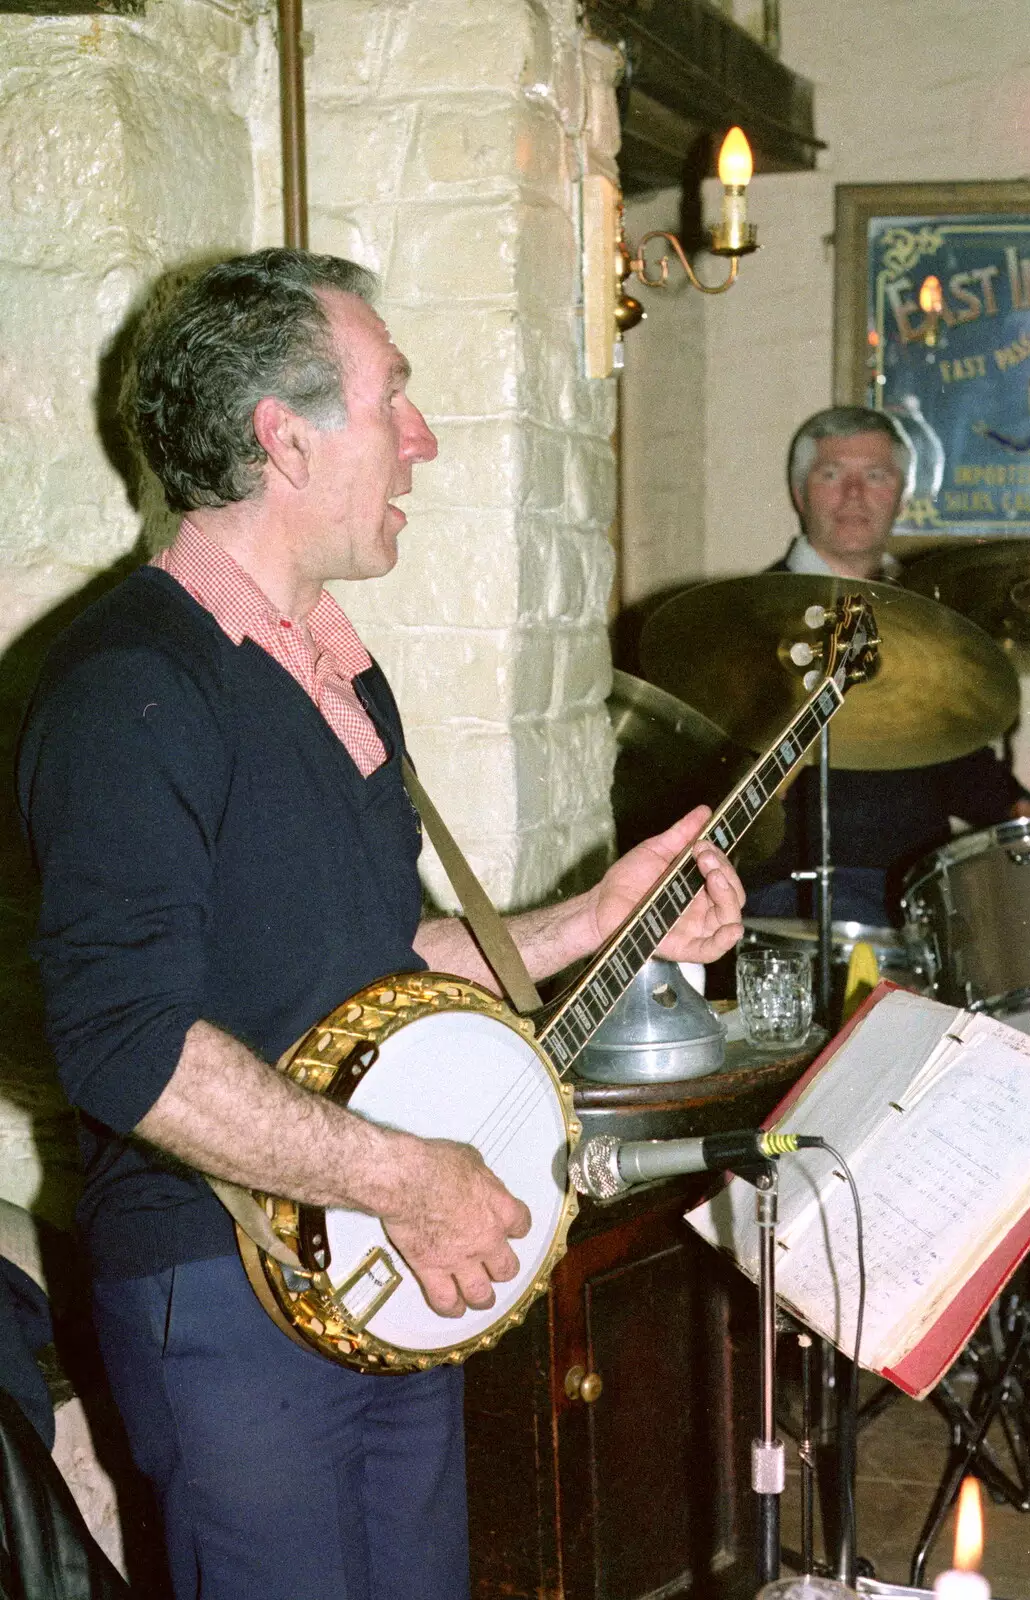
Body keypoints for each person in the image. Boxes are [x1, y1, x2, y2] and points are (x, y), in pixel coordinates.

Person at [16, 248, 745, 1600]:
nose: (422, 438)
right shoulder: (132, 685)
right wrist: (409, 1179)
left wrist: (598, 914)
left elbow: (383, 958)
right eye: (391, 397)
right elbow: (128, 1045)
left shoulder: (335, 670)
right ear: (282, 438)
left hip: (375, 1268)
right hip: (225, 1285)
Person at [744, 404, 1030, 927]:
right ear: (799, 494)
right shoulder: (747, 622)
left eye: (875, 476)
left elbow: (956, 758)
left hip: (920, 887)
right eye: (833, 474)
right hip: (798, 892)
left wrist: (1023, 817)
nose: (854, 495)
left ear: (899, 496)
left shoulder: (926, 621)